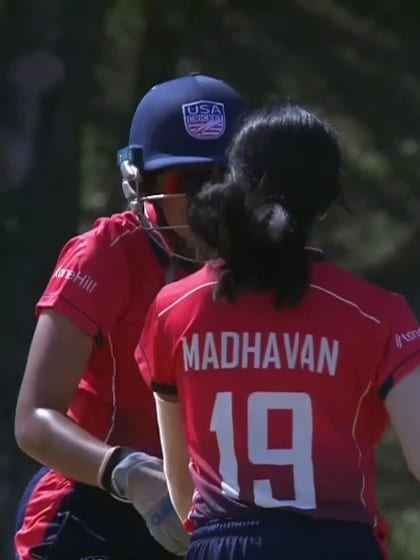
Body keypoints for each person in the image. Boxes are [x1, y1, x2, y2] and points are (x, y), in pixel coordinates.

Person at [137, 104, 420, 560]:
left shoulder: (175, 308)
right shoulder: (377, 315)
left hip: (222, 546)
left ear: (235, 185)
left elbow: (183, 492)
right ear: (328, 203)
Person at [14, 73, 246, 560]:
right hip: (94, 504)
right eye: (190, 182)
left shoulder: (269, 264)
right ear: (142, 183)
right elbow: (34, 419)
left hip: (213, 507)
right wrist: (129, 473)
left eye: (223, 181)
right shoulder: (104, 254)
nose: (210, 202)